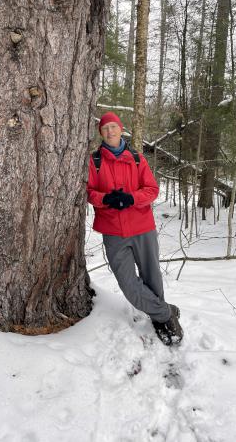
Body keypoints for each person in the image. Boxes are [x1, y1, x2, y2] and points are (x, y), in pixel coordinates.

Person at [87, 111, 183, 346]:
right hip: (113, 231)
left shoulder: (138, 159)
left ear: (121, 129)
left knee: (152, 278)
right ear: (101, 133)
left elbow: (152, 189)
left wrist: (131, 198)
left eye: (113, 126)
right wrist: (106, 199)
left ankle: (161, 320)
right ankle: (166, 312)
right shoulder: (94, 161)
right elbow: (89, 192)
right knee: (129, 284)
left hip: (142, 227)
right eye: (105, 128)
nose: (110, 131)